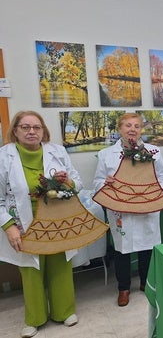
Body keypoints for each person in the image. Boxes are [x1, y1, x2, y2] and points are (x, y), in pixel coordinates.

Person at [0, 111, 82, 337]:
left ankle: (64, 311)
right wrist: (9, 226)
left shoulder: (58, 151)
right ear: (15, 130)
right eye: (25, 127)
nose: (31, 131)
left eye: (36, 127)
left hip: (56, 220)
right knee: (31, 270)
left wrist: (69, 181)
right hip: (23, 223)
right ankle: (34, 318)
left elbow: (78, 184)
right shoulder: (3, 156)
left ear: (43, 130)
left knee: (61, 265)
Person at [93, 113, 163, 307]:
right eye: (128, 125)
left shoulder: (153, 151)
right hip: (121, 210)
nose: (132, 129)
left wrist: (157, 196)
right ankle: (123, 288)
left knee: (147, 247)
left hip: (148, 206)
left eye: (136, 125)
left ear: (141, 129)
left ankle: (145, 282)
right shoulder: (106, 154)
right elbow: (97, 181)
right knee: (122, 249)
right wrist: (105, 183)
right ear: (119, 129)